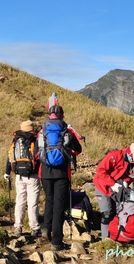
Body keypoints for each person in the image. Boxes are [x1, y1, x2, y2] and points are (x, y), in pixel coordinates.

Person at [37, 105, 82, 251]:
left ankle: (45, 229)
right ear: (62, 115)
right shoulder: (66, 130)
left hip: (45, 172)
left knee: (49, 199)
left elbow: (37, 154)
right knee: (59, 205)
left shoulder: (42, 131)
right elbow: (77, 150)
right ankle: (56, 242)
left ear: (49, 115)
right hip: (62, 173)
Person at [93, 143, 134, 240]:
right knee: (106, 214)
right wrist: (112, 184)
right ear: (130, 154)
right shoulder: (114, 156)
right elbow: (100, 170)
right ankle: (105, 240)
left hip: (118, 188)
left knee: (118, 212)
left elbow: (132, 175)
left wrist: (126, 182)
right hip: (103, 186)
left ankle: (115, 236)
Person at [4, 120, 42, 237]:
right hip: (33, 176)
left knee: (20, 201)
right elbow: (39, 158)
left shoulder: (15, 140)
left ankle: (18, 227)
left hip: (19, 176)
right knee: (32, 203)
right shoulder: (34, 140)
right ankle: (34, 228)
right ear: (31, 129)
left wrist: (7, 173)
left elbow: (10, 158)